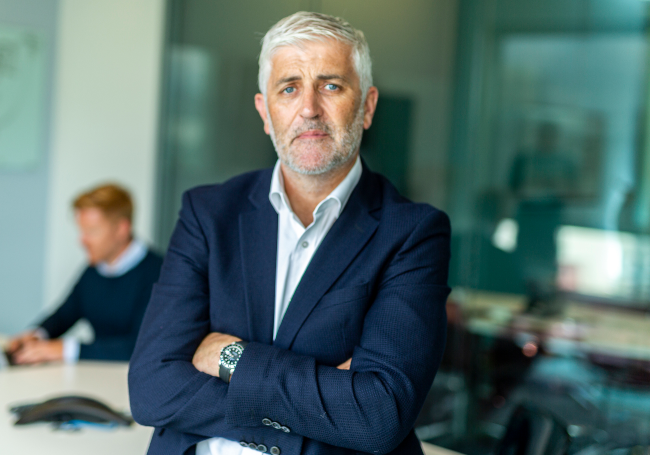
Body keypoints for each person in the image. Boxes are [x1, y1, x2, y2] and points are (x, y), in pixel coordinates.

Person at [129, 12, 451, 455]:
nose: (309, 109)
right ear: (265, 111)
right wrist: (327, 400)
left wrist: (231, 359)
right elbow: (151, 387)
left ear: (368, 106)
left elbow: (378, 415)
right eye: (289, 88)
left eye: (331, 85)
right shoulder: (208, 214)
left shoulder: (412, 234)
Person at [7, 184, 162, 364]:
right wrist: (36, 335)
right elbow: (66, 313)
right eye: (81, 231)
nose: (82, 240)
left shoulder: (159, 274)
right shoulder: (94, 269)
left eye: (91, 232)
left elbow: (139, 347)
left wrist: (63, 349)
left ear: (121, 229)